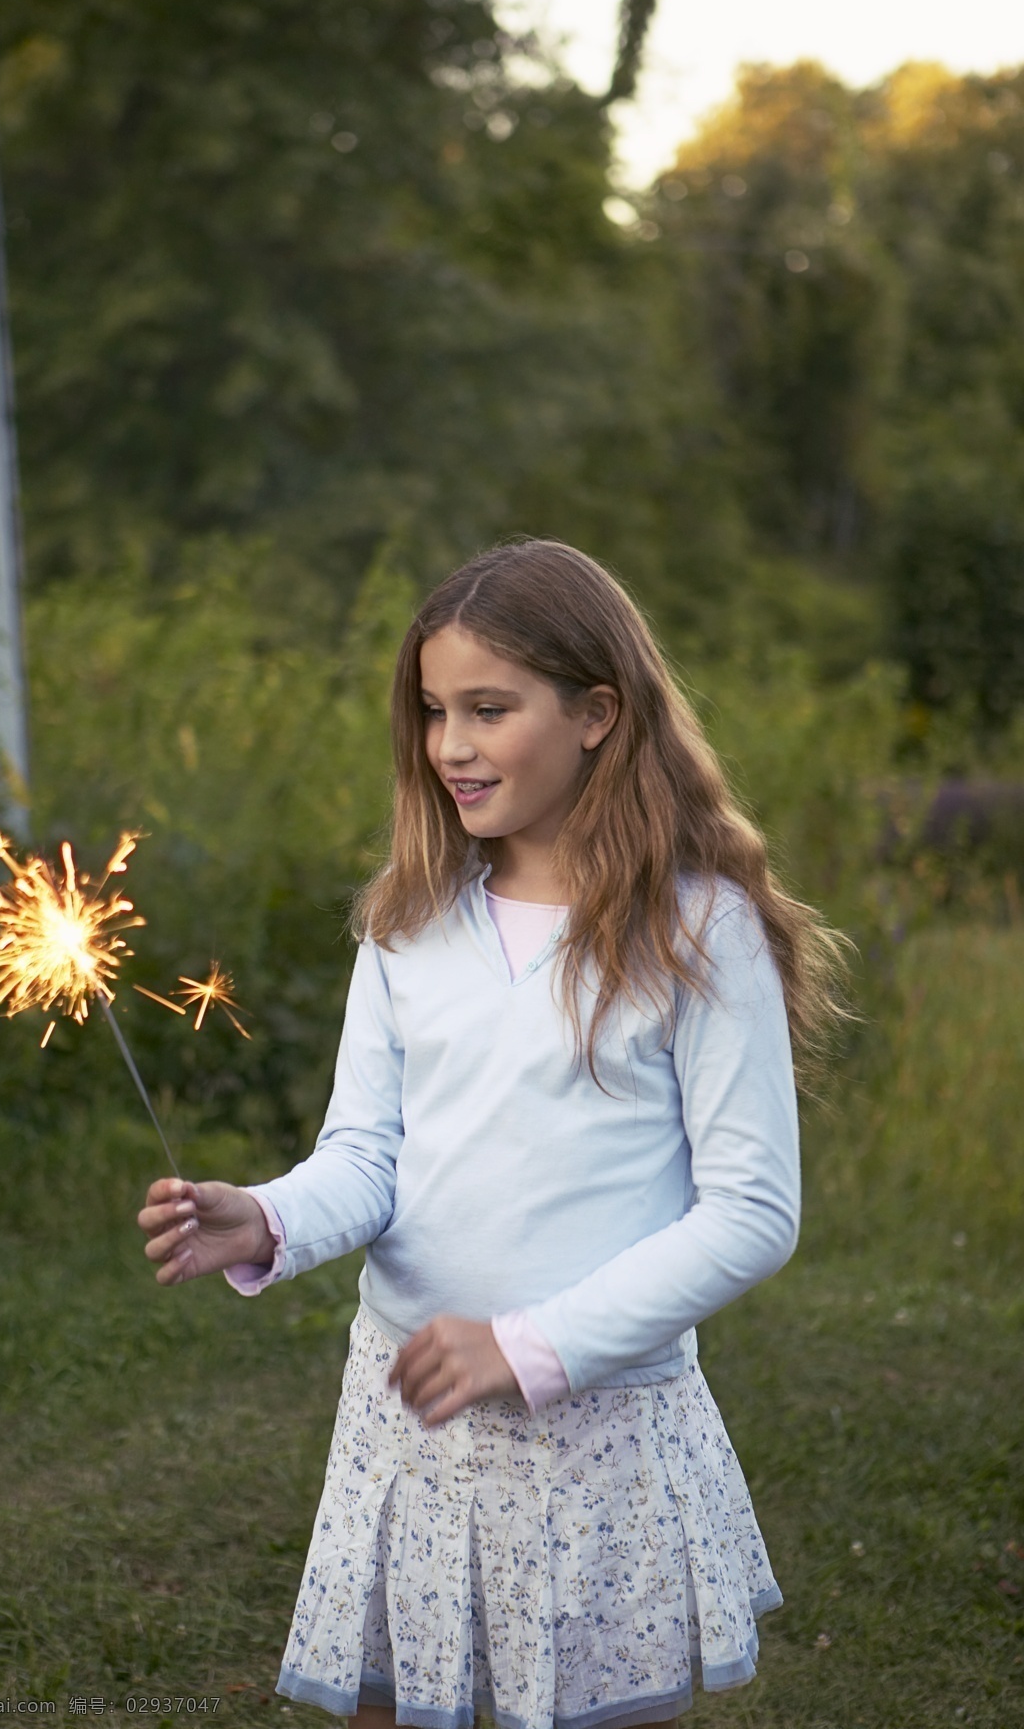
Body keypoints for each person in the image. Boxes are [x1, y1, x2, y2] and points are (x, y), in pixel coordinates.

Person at [138, 539, 846, 1729]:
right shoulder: (409, 922)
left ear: (596, 715)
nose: (451, 746)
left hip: (595, 1436)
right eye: (431, 712)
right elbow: (368, 1156)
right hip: (411, 1415)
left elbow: (750, 1213)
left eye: (489, 709)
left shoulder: (693, 930)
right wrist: (265, 1216)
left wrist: (531, 1346)